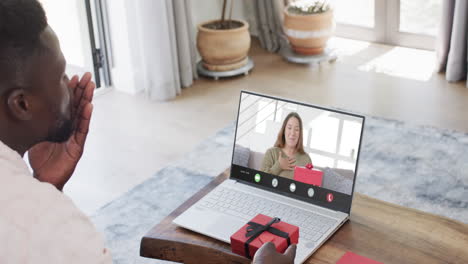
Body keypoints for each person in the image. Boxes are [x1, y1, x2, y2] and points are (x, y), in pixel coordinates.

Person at [0, 0, 296, 263]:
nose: (69, 83)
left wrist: (47, 188)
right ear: (22, 104)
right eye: (60, 74)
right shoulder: (51, 229)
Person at [261, 112, 312, 180]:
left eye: (296, 129)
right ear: (284, 130)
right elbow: (261, 179)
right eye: (289, 128)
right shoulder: (271, 153)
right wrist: (279, 166)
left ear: (300, 134)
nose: (292, 133)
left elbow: (310, 186)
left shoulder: (306, 159)